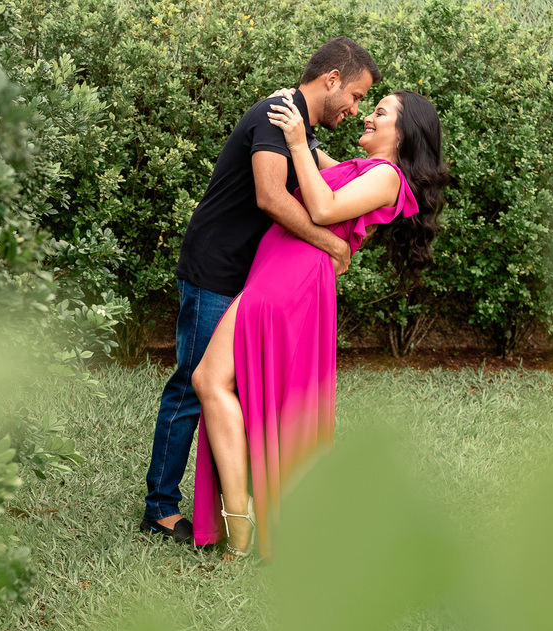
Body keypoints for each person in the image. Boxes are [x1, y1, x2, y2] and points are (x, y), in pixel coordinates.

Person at [141, 37, 380, 543]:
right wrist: (330, 246)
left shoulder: (301, 128)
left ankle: (236, 506)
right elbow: (271, 197)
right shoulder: (277, 114)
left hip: (247, 277)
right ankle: (159, 508)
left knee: (228, 389)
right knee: (192, 387)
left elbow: (336, 182)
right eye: (356, 97)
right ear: (332, 81)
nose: (356, 109)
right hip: (214, 271)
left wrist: (390, 174)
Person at [191, 89, 448, 559]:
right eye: (370, 107)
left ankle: (244, 523)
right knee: (223, 383)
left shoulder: (388, 178)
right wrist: (295, 118)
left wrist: (293, 141)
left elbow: (324, 208)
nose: (368, 117)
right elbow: (316, 163)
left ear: (404, 132)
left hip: (292, 275)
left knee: (210, 379)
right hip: (279, 269)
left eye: (380, 112)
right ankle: (250, 519)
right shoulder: (364, 169)